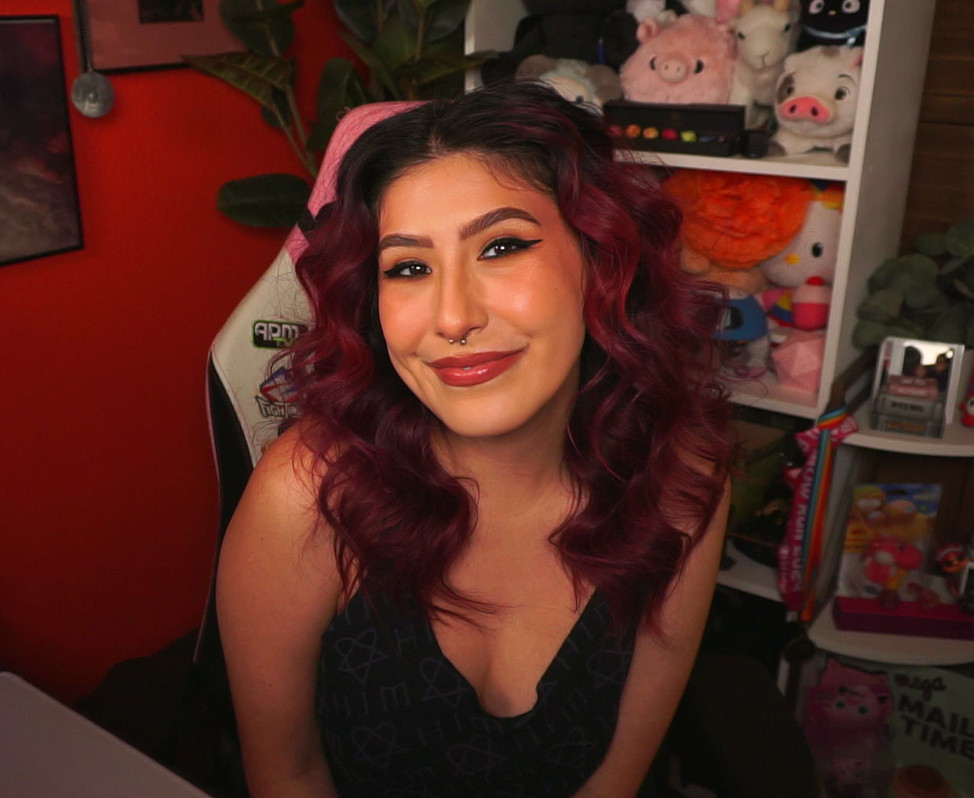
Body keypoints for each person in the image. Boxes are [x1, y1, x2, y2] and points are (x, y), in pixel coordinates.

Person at [216, 82, 733, 798]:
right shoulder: (307, 496)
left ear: (602, 261)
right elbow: (286, 774)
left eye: (502, 246)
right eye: (409, 267)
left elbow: (618, 776)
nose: (453, 315)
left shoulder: (678, 478)